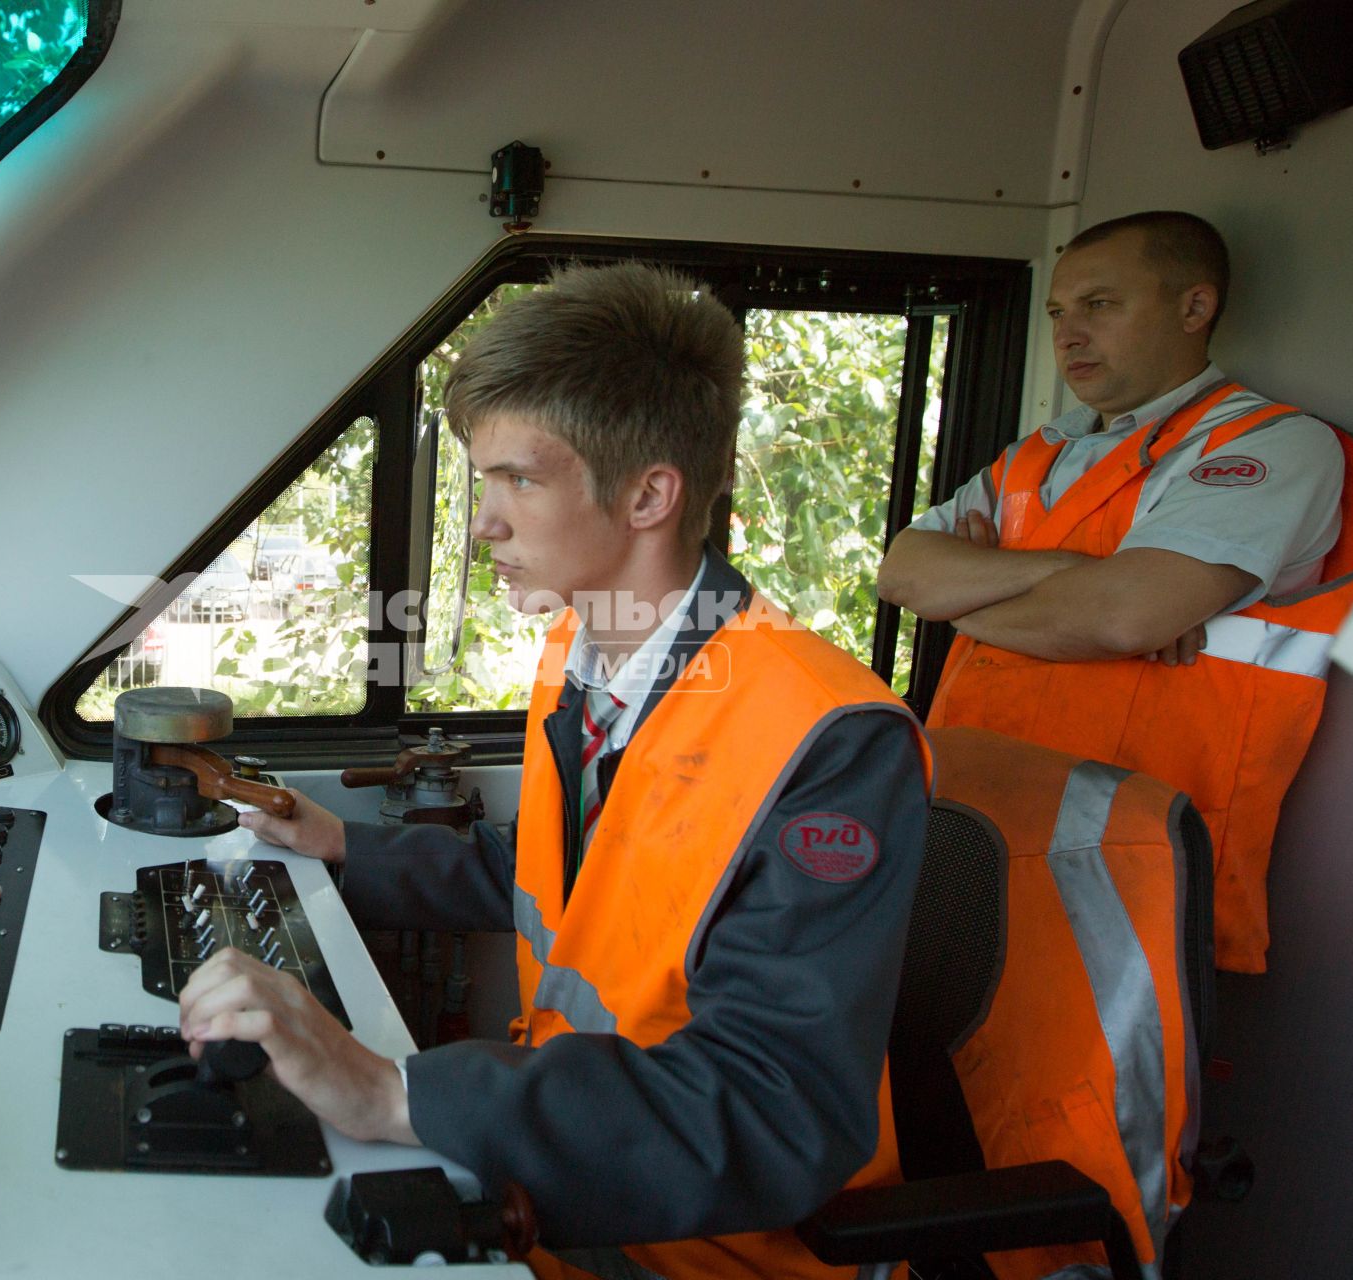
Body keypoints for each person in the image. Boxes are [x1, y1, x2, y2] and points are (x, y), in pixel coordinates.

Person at [178, 261, 933, 1279]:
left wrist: (395, 1092)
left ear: (649, 493)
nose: (484, 521)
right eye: (482, 481)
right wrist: (342, 843)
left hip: (703, 1246)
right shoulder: (585, 651)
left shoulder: (826, 738)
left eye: (519, 479)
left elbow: (774, 1111)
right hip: (562, 1186)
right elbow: (554, 874)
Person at [878, 210, 1353, 973]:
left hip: (1129, 863)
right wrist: (1073, 575)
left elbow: (1125, 615)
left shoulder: (1268, 445)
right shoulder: (1039, 454)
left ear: (1194, 307)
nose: (1068, 333)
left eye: (1100, 305)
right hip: (970, 834)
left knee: (1093, 1093)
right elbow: (903, 573)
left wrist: (970, 599)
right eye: (1056, 312)